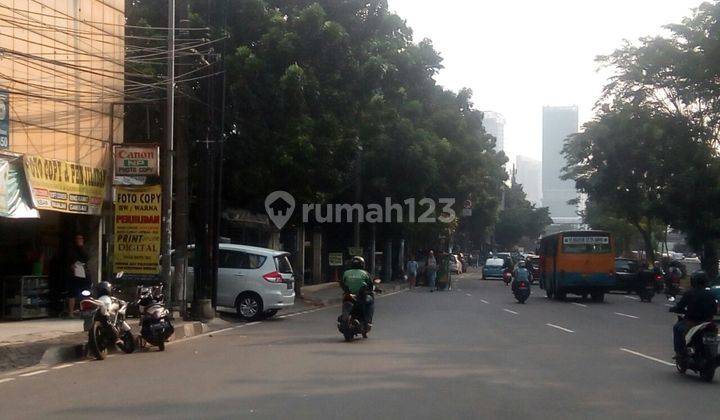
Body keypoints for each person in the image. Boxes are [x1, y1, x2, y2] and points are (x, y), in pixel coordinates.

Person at [669, 271, 718, 360]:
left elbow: (680, 306)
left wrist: (674, 309)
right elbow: (715, 309)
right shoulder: (710, 294)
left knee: (677, 328)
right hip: (708, 322)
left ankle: (680, 352)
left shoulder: (690, 293)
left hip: (693, 322)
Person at [341, 256, 375, 328]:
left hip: (348, 295)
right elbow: (371, 286)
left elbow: (342, 283)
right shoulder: (365, 273)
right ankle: (368, 321)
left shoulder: (346, 273)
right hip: (361, 296)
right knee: (371, 301)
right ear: (362, 264)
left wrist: (347, 290)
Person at [66, 234, 91, 317]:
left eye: (81, 238)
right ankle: (71, 312)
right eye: (78, 239)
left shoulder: (84, 248)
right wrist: (71, 265)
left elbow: (87, 258)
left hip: (83, 274)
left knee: (86, 292)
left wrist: (81, 247)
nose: (79, 240)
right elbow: (68, 259)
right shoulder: (71, 249)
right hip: (73, 275)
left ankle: (86, 311)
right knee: (72, 293)